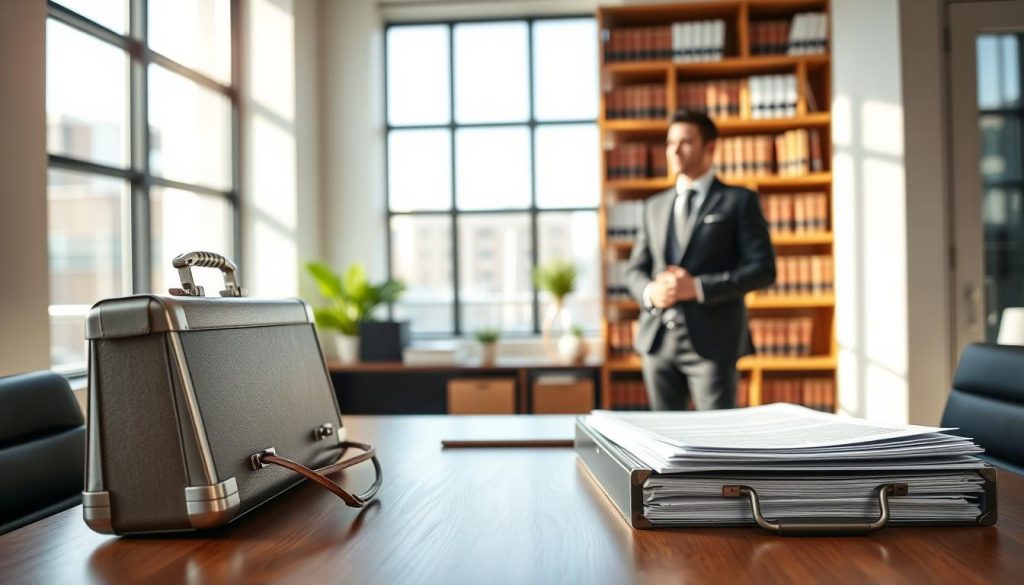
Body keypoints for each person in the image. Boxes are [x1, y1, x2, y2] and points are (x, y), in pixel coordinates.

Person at [624, 109, 776, 411]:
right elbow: (634, 270)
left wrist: (698, 287)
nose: (675, 151)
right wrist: (650, 292)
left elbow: (763, 270)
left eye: (685, 142)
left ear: (710, 147)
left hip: (713, 343)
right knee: (662, 442)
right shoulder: (653, 206)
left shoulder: (739, 201)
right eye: (670, 143)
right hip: (656, 343)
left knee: (715, 444)